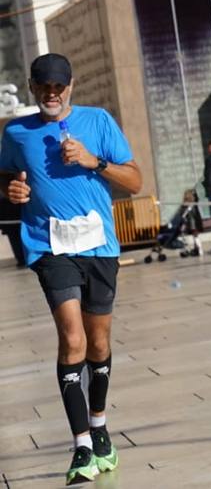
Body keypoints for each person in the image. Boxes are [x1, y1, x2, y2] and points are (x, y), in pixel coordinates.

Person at [1, 53, 142, 484]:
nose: (52, 93)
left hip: (99, 246)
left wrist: (92, 161)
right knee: (73, 338)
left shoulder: (98, 122)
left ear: (71, 86)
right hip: (50, 247)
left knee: (99, 343)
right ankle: (81, 445)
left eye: (59, 86)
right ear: (32, 87)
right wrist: (11, 190)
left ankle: (99, 427)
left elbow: (135, 181)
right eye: (44, 86)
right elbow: (3, 180)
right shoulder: (15, 132)